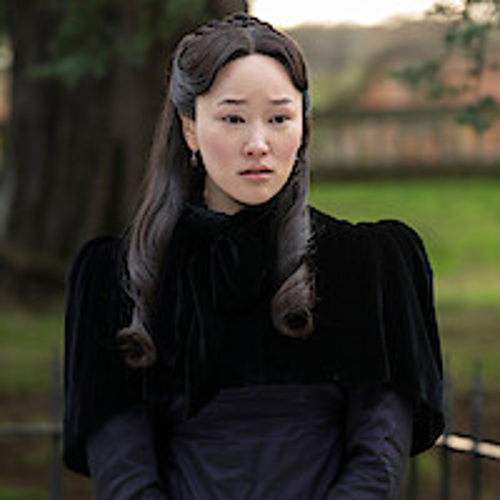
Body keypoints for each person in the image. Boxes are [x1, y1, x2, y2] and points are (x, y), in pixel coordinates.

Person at [63, 12, 444, 500]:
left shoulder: (369, 268)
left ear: (302, 127)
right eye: (233, 118)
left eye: (279, 118)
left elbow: (377, 457)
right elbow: (125, 475)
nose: (258, 144)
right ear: (190, 128)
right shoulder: (122, 279)